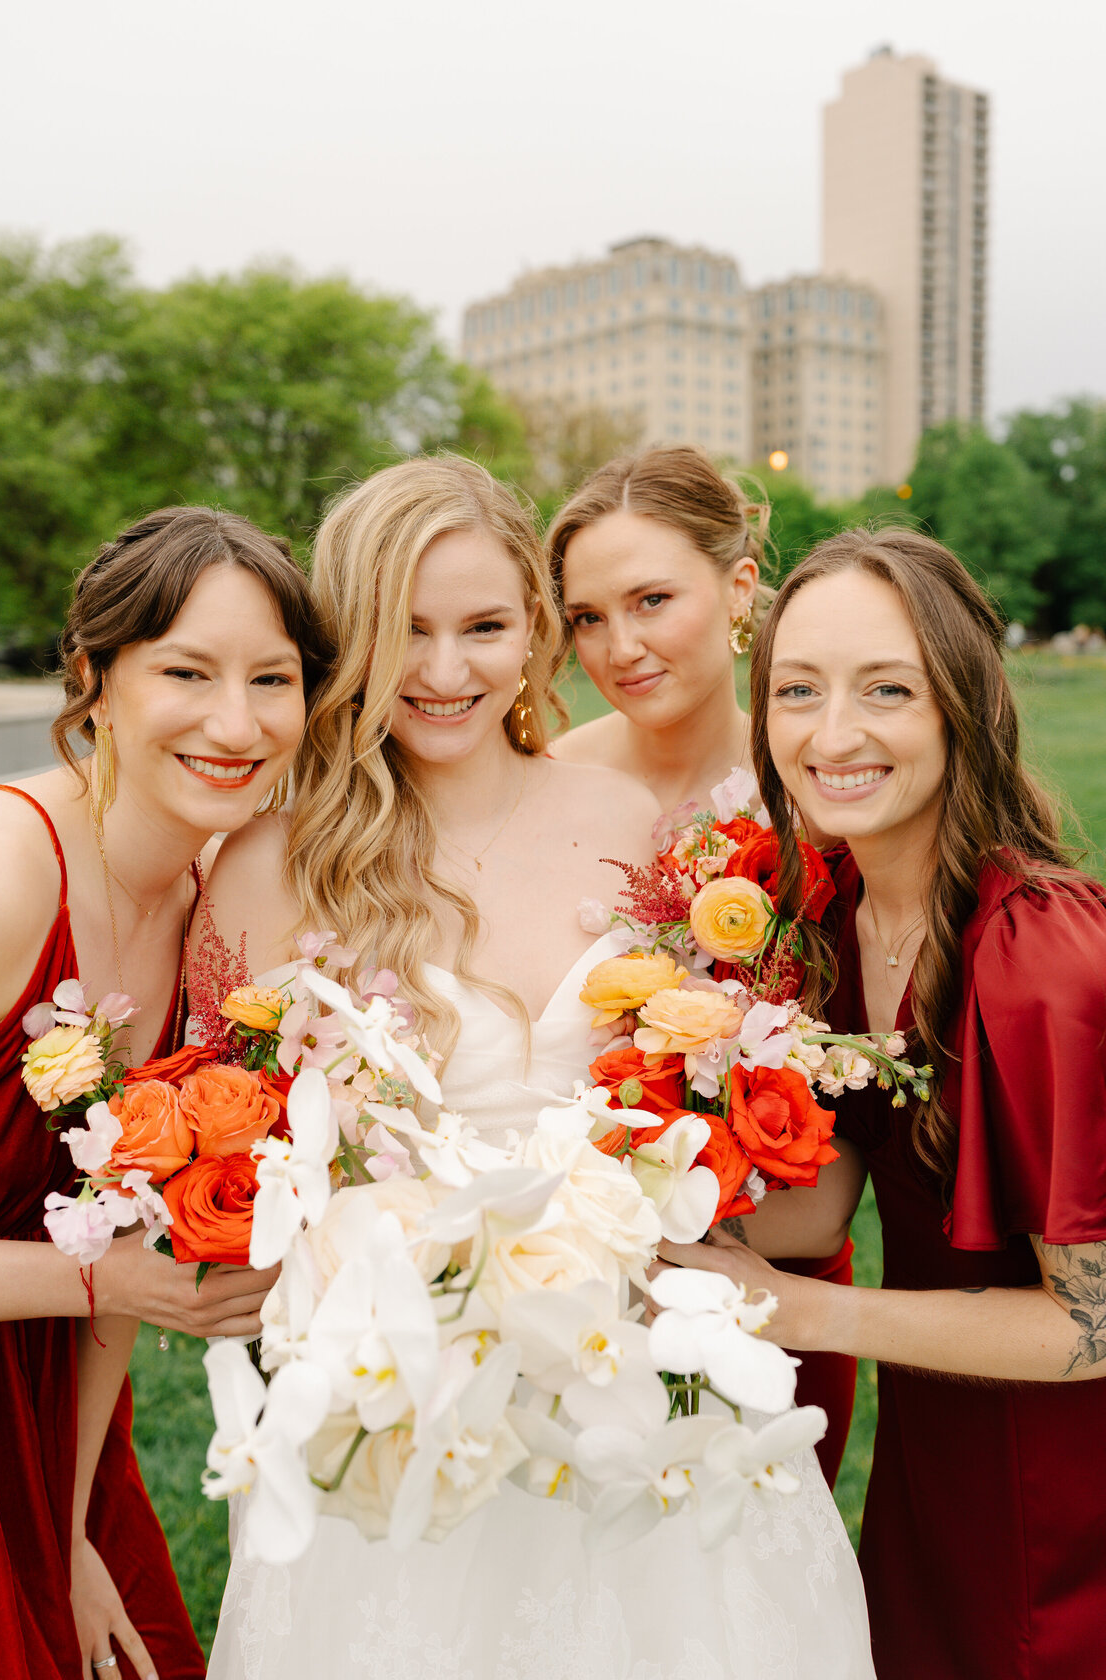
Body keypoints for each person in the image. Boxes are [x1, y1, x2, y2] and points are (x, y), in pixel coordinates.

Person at [200, 455, 875, 1679]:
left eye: (483, 627)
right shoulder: (272, 866)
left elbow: (702, 1115)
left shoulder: (629, 825)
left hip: (634, 1371)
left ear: (533, 632)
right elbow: (236, 1163)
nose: (444, 669)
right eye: (404, 629)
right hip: (395, 1400)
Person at [668, 527, 1106, 1679]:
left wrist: (804, 1313)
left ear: (967, 703)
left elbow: (1096, 1324)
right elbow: (819, 1211)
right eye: (798, 690)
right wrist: (607, 1191)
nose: (832, 735)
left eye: (886, 690)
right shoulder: (837, 911)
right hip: (935, 1466)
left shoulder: (1040, 960)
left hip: (1065, 1510)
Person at [0, 507, 315, 1680]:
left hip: (54, 1422)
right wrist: (95, 1279)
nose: (236, 723)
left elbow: (135, 1213)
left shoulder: (216, 904)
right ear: (94, 679)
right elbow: (112, 1264)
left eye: (272, 679)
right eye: (186, 672)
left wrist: (70, 1516)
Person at [545, 444, 857, 1488]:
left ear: (738, 587)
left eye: (651, 600)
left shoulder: (824, 799)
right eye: (588, 618)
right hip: (567, 1291)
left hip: (773, 1278)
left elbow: (844, 1151)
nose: (620, 646)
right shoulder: (546, 783)